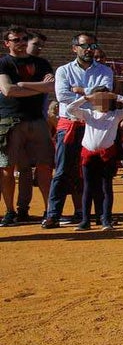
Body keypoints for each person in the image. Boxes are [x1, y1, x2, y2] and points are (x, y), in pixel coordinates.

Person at [44, 32, 114, 228]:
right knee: (63, 170)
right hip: (71, 123)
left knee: (97, 172)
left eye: (93, 46)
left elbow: (104, 95)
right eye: (85, 46)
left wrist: (80, 90)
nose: (89, 50)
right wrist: (91, 92)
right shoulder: (63, 70)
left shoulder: (105, 70)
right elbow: (62, 96)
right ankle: (53, 214)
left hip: (94, 125)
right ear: (74, 48)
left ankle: (101, 215)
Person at [0, 26, 56, 226]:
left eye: (24, 39)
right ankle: (10, 211)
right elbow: (7, 90)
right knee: (8, 168)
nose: (21, 42)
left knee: (44, 165)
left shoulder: (41, 63)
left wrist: (22, 85)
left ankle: (50, 210)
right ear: (7, 43)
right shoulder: (4, 63)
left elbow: (51, 87)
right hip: (10, 120)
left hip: (36, 120)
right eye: (16, 40)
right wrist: (36, 87)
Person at [66, 88, 123, 231]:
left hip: (107, 156)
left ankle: (106, 219)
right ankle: (85, 220)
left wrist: (116, 96)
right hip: (89, 154)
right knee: (88, 187)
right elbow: (70, 109)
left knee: (106, 188)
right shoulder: (88, 114)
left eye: (105, 99)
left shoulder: (115, 115)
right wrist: (86, 98)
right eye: (98, 100)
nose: (102, 103)